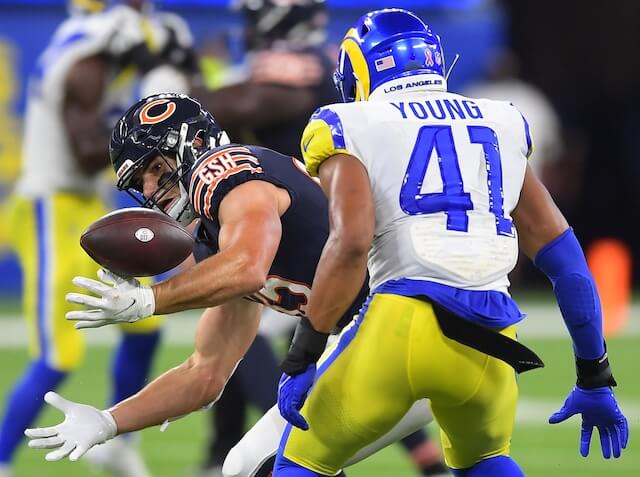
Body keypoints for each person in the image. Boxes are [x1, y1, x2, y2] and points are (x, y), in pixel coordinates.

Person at [273, 8, 629, 477]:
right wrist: (594, 374)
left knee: (301, 461)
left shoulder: (346, 122)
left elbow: (351, 243)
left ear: (362, 69)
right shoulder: (500, 120)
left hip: (403, 323)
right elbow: (567, 262)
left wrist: (303, 353)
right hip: (493, 337)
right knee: (486, 462)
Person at [22, 93, 434, 474]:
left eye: (156, 167)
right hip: (404, 335)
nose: (149, 189)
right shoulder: (214, 237)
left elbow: (247, 268)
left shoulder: (222, 169)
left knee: (254, 464)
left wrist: (148, 300)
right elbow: (205, 374)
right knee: (273, 460)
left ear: (197, 143)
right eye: (140, 180)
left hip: (400, 327)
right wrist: (109, 421)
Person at [194, 1, 449, 474]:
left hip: (312, 228)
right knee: (328, 339)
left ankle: (277, 442)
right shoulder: (322, 63)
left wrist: (178, 89)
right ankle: (226, 448)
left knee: (279, 339)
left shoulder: (299, 64)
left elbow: (247, 104)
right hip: (308, 222)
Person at [0, 2, 194, 477]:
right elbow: (89, 153)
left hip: (88, 204)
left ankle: (118, 443)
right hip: (49, 205)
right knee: (58, 354)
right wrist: (149, 105)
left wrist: (164, 78)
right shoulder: (83, 64)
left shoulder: (106, 50)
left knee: (144, 324)